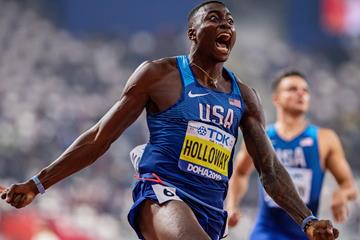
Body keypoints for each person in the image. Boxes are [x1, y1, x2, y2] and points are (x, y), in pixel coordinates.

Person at [1, 2, 339, 239]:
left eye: (231, 21)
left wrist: (306, 220)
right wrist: (38, 183)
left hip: (210, 213)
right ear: (192, 32)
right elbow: (99, 137)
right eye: (215, 19)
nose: (226, 25)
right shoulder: (159, 75)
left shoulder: (244, 96)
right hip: (162, 193)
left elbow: (271, 170)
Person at [227, 70, 357, 239]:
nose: (300, 93)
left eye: (305, 90)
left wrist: (342, 194)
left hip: (308, 231)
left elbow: (349, 186)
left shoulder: (325, 139)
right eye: (292, 89)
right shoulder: (261, 137)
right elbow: (240, 173)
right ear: (276, 98)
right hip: (267, 232)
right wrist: (232, 206)